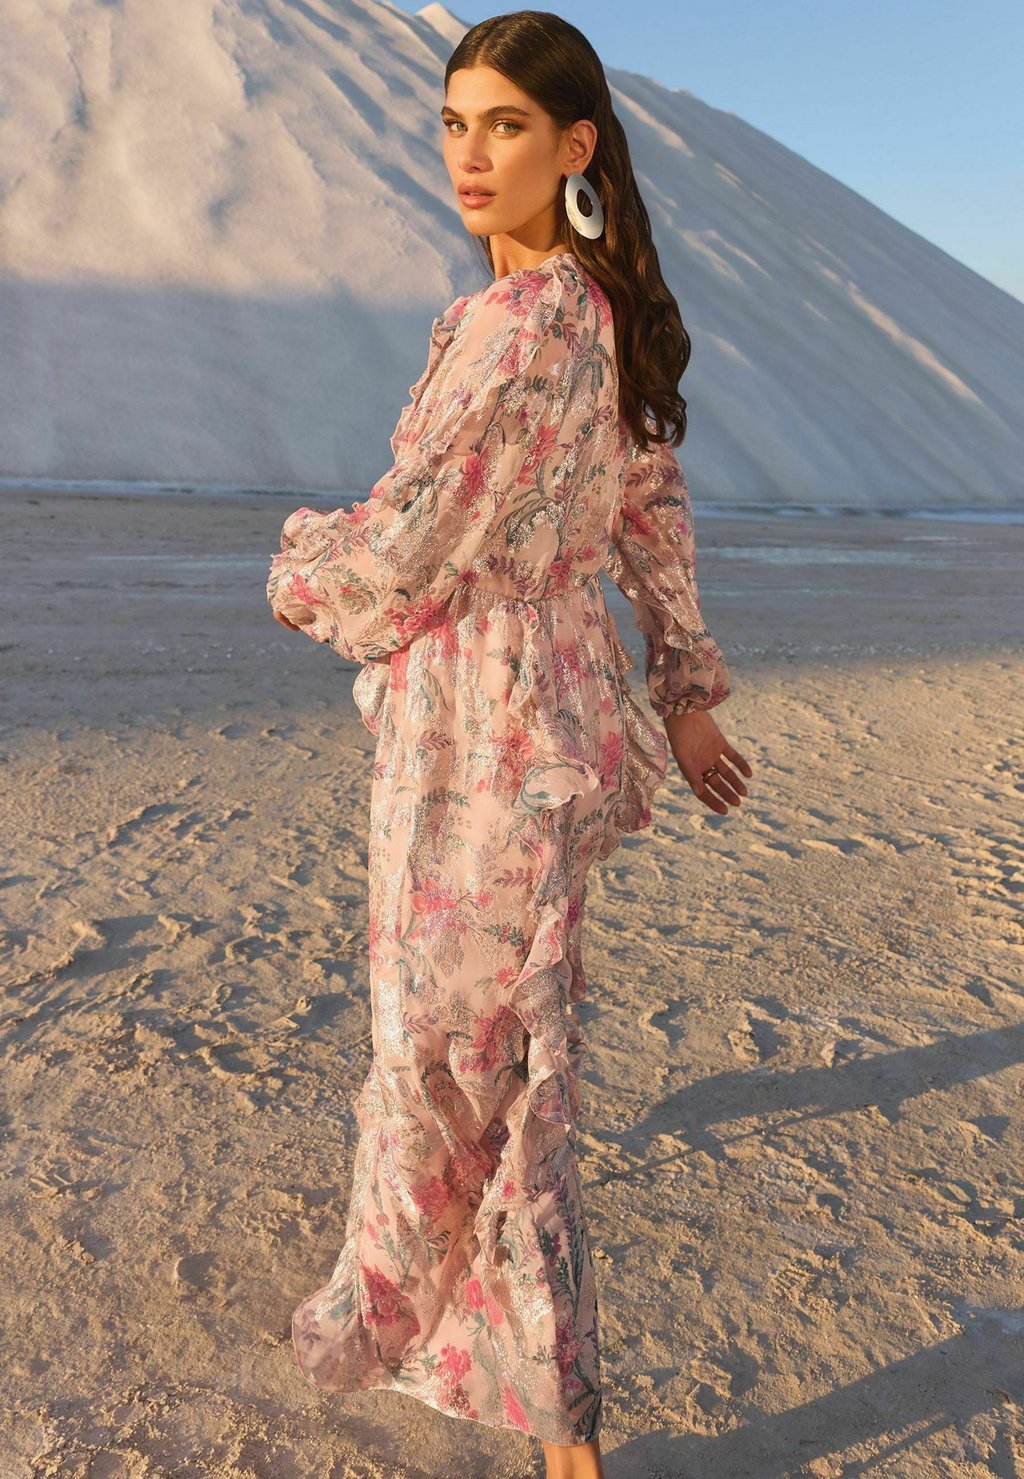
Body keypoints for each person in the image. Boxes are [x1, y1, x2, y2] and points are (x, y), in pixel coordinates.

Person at [266, 13, 753, 1478]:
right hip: (537, 712)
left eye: (507, 126)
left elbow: (418, 536)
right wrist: (683, 686)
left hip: (481, 721)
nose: (471, 155)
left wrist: (298, 567)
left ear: (574, 146)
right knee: (506, 1045)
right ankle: (546, 1418)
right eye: (454, 123)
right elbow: (650, 505)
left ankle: (554, 1425)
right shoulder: (590, 309)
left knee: (459, 1056)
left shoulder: (525, 319)